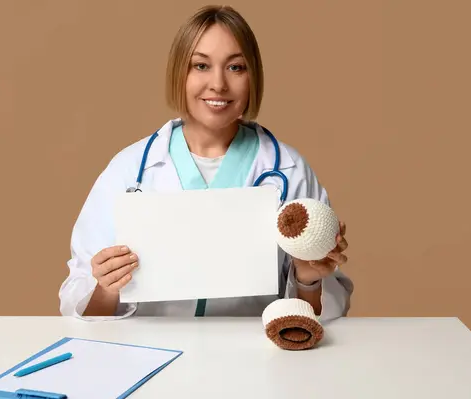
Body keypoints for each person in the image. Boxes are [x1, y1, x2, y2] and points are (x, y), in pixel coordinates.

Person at [58, 5, 354, 322]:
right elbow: (79, 310)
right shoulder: (129, 170)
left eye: (236, 67)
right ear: (179, 74)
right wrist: (106, 288)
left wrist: (309, 279)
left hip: (254, 362)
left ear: (254, 76)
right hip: (152, 356)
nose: (218, 84)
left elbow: (320, 318)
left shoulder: (289, 171)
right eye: (200, 65)